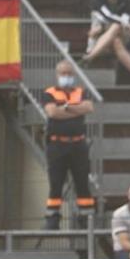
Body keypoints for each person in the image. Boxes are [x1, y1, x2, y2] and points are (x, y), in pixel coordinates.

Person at [41, 60, 96, 231]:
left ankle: (86, 218)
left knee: (82, 182)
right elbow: (52, 112)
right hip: (57, 145)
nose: (67, 77)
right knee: (55, 183)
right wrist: (74, 110)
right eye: (63, 73)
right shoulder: (49, 92)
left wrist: (64, 108)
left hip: (79, 144)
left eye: (69, 74)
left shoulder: (81, 92)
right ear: (57, 75)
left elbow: (89, 107)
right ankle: (53, 218)